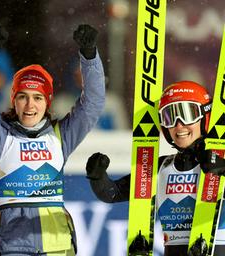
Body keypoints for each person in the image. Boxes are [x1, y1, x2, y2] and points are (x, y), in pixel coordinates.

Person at [0, 23, 105, 256]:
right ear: (14, 101)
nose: (30, 105)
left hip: (58, 245)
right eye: (23, 97)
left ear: (47, 102)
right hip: (12, 246)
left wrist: (90, 57)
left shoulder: (60, 137)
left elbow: (92, 105)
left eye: (37, 98)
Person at [85, 81, 225, 256]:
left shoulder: (219, 161)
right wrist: (97, 177)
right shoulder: (162, 166)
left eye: (188, 114)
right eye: (169, 117)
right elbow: (112, 193)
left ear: (205, 116)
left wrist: (221, 167)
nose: (179, 125)